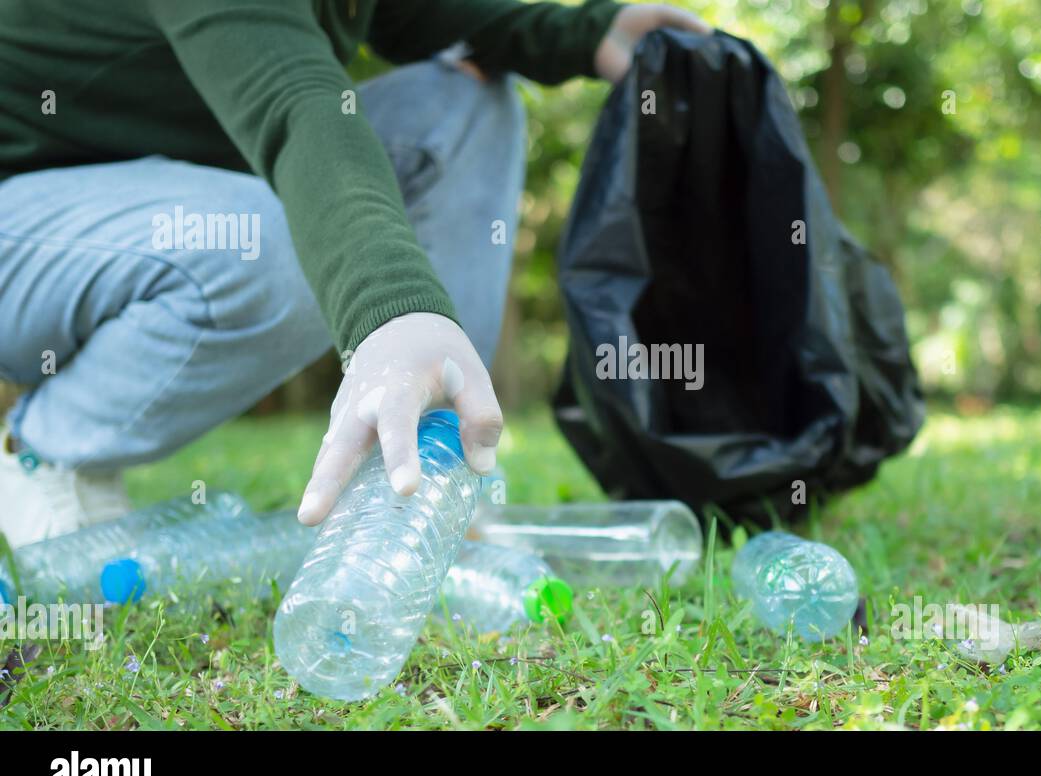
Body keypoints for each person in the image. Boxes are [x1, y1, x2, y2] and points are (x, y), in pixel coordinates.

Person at [0, 0, 709, 547]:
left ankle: (426, 477)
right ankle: (39, 453)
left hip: (147, 199)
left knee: (464, 104)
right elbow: (296, 101)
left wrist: (587, 32)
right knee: (273, 236)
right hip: (24, 218)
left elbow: (415, 15)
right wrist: (394, 310)